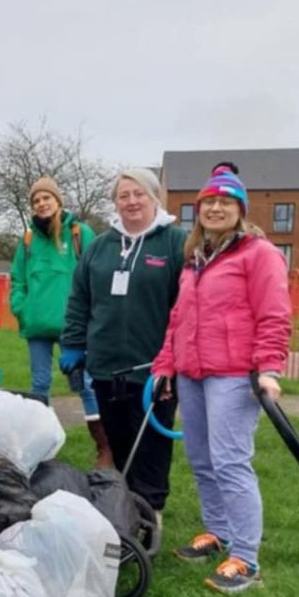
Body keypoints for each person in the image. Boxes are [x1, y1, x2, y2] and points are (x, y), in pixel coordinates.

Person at [153, 166, 290, 594]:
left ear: (240, 209)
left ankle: (246, 558)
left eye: (225, 202)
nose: (215, 208)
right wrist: (164, 366)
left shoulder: (259, 254)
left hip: (233, 375)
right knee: (201, 458)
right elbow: (178, 320)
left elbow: (274, 314)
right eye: (208, 202)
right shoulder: (196, 257)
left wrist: (268, 369)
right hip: (192, 373)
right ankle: (218, 533)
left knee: (230, 462)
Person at [60, 168, 186, 520]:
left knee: (152, 444)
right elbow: (79, 300)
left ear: (154, 198)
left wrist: (175, 358)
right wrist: (73, 343)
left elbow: (185, 306)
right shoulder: (100, 247)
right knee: (118, 440)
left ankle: (151, 510)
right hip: (104, 366)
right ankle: (124, 505)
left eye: (138, 194)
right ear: (115, 202)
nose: (131, 201)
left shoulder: (174, 243)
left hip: (154, 367)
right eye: (123, 195)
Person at [10, 177, 112, 468]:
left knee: (86, 385)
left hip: (74, 326)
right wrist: (22, 308)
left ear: (58, 201)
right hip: (38, 325)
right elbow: (17, 278)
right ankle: (42, 447)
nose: (42, 204)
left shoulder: (81, 233)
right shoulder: (27, 239)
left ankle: (104, 448)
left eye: (47, 198)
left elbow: (98, 273)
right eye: (36, 200)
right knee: (39, 385)